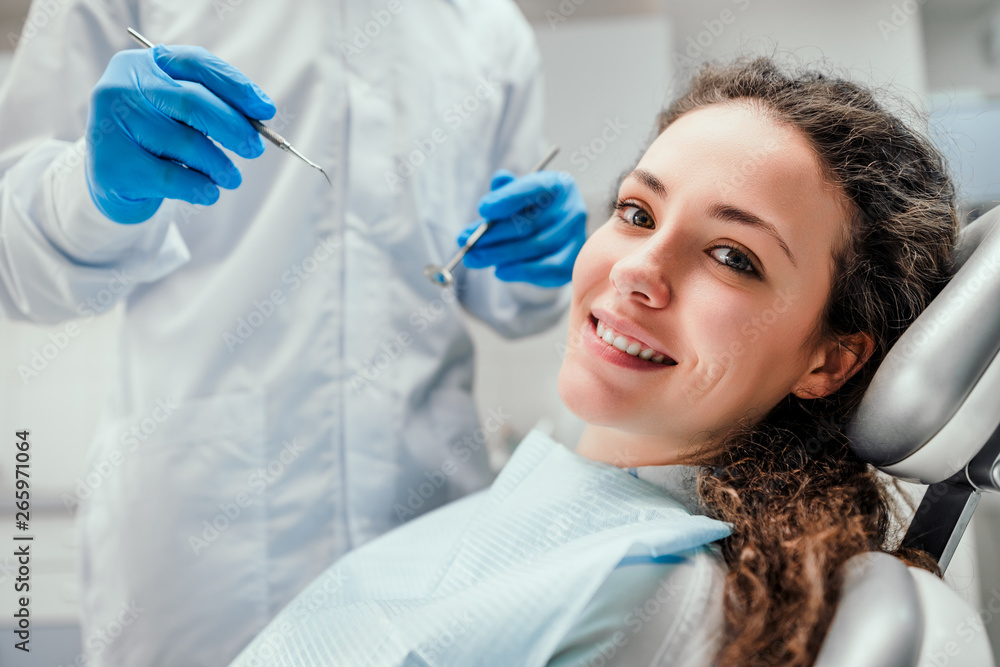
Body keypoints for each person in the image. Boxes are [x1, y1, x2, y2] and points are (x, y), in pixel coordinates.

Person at [229, 56, 958, 667]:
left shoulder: (634, 595)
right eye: (638, 212)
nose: (639, 268)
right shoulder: (586, 533)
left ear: (830, 361)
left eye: (733, 257)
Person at [0, 1, 586, 665]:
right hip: (201, 562)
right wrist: (91, 189)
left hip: (429, 526)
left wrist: (540, 258)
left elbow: (502, 295)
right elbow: (14, 263)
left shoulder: (489, 26)